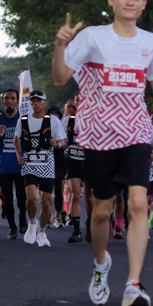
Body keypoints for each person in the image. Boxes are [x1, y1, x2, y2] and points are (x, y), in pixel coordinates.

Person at [52, 0, 153, 306]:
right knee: (101, 210)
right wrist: (60, 46)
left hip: (135, 132)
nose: (130, 1)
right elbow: (59, 77)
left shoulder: (150, 42)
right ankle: (101, 264)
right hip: (97, 135)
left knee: (138, 203)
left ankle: (133, 283)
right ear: (111, 1)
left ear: (143, 5)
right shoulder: (92, 36)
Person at [15, 90, 67, 247]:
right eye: (33, 101)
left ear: (45, 103)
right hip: (29, 164)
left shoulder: (53, 121)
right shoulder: (23, 119)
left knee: (45, 202)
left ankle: (42, 233)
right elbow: (16, 138)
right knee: (31, 197)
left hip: (47, 165)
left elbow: (63, 141)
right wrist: (18, 155)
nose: (35, 103)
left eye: (39, 100)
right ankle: (32, 222)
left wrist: (57, 144)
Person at [0, 88, 28, 239]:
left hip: (21, 165)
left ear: (17, 101)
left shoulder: (24, 119)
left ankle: (23, 216)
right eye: (7, 98)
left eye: (13, 98)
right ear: (3, 102)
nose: (10, 101)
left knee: (21, 197)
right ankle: (12, 227)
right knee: (7, 199)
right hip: (4, 166)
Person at [62, 96, 89, 243]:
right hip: (73, 161)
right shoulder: (67, 120)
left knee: (90, 197)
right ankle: (76, 230)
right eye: (78, 100)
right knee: (75, 193)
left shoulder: (95, 119)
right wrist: (63, 144)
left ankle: (90, 225)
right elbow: (60, 138)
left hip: (89, 162)